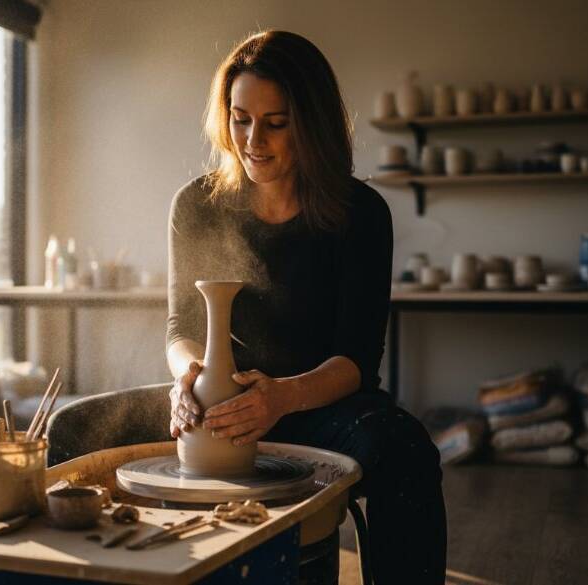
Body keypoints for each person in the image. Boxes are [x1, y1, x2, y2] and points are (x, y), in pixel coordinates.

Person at [166, 30, 446, 584]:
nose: (253, 140)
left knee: (407, 449)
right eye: (241, 118)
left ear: (311, 124)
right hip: (219, 406)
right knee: (76, 426)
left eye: (276, 123)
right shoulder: (197, 205)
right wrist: (187, 381)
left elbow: (357, 360)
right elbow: (181, 328)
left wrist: (282, 397)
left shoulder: (358, 213)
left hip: (320, 406)